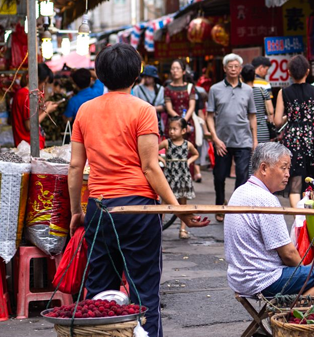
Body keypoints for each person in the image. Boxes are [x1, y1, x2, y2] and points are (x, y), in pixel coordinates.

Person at [68, 44, 209, 337]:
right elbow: (150, 167)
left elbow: (75, 168)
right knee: (144, 292)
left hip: (100, 208)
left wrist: (77, 212)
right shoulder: (143, 110)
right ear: (136, 75)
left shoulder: (84, 110)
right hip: (138, 209)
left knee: (101, 295)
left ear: (99, 74)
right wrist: (178, 209)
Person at [224, 142, 314, 298]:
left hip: (239, 278)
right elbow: (288, 254)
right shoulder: (265, 199)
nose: (288, 173)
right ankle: (295, 308)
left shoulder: (241, 191)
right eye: (283, 167)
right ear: (264, 168)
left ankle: (296, 303)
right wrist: (306, 273)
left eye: (288, 168)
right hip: (263, 279)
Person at [274, 55, 314, 208]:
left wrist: (290, 115)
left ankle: (299, 217)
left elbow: (276, 122)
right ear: (308, 72)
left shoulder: (283, 92)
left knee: (295, 180)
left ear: (289, 72)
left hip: (292, 139)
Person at [206, 53, 258, 221]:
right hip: (222, 141)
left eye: (236, 66)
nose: (233, 69)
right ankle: (220, 205)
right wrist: (215, 138)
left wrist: (255, 140)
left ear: (240, 69)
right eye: (230, 66)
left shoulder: (248, 90)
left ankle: (237, 208)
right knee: (219, 176)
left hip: (243, 139)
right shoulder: (215, 89)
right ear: (224, 69)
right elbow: (209, 116)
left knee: (242, 176)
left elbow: (252, 116)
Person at [160, 117, 199, 239]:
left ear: (183, 131)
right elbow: (153, 151)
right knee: (164, 203)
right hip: (170, 176)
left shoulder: (188, 145)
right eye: (170, 129)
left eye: (174, 129)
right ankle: (158, 227)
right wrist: (162, 160)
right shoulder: (167, 143)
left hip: (183, 177)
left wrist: (188, 161)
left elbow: (196, 154)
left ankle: (183, 229)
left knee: (183, 204)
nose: (171, 131)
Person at [12, 62, 60, 149]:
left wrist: (43, 109)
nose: (43, 86)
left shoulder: (26, 93)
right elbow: (30, 125)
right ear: (37, 79)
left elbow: (32, 117)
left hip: (30, 145)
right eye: (44, 82)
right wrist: (47, 111)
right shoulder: (26, 95)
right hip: (29, 147)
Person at [242, 64, 274, 144]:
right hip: (262, 132)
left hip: (244, 133)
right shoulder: (262, 91)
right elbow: (270, 111)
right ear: (254, 77)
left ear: (242, 78)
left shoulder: (240, 93)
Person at [164, 59, 198, 129]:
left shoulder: (190, 87)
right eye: (173, 68)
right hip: (173, 124)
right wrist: (181, 121)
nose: (175, 71)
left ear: (183, 71)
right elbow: (169, 109)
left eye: (177, 68)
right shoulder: (167, 89)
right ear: (170, 71)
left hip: (188, 122)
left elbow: (192, 107)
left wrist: (184, 121)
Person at [133, 65, 166, 133]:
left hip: (157, 121)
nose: (147, 79)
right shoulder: (138, 89)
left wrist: (151, 109)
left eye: (149, 77)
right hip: (141, 120)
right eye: (145, 76)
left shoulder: (161, 89)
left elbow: (164, 106)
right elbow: (133, 105)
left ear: (154, 78)